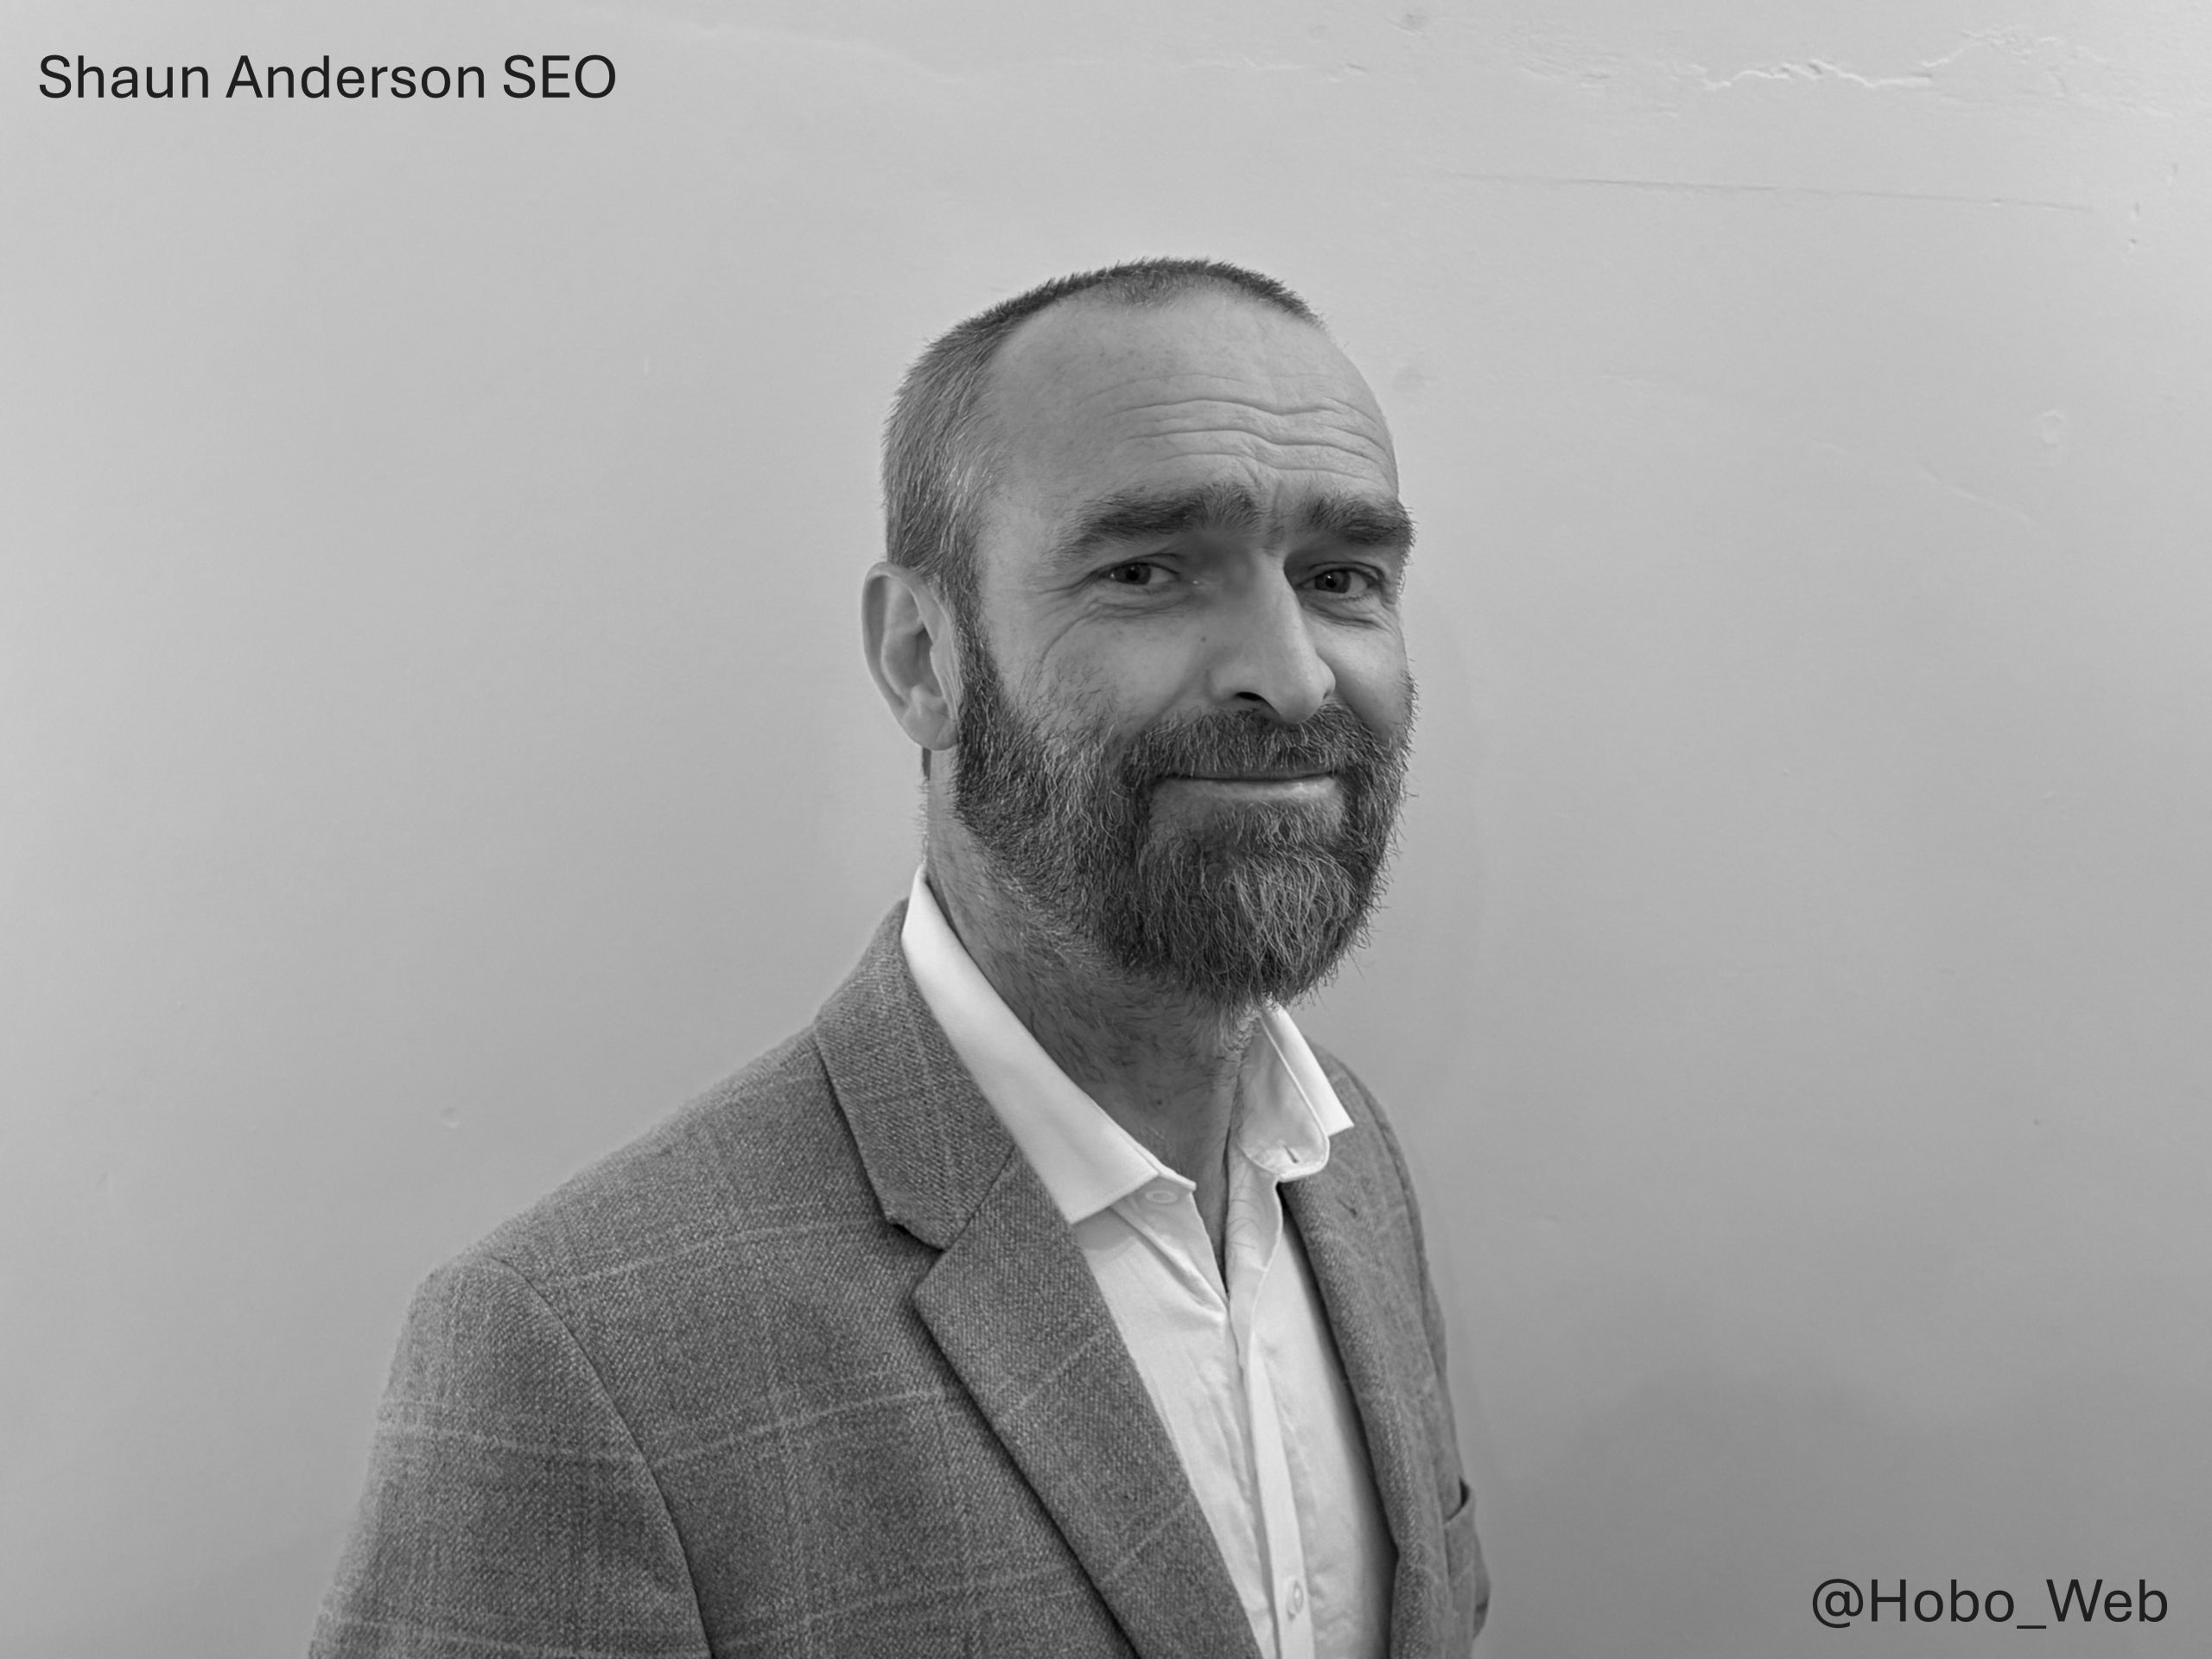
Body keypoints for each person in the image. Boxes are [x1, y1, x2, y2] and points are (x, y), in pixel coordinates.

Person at [311, 257, 1487, 1659]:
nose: (1291, 676)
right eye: (1147, 572)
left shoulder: (1350, 1172)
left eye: (1343, 578)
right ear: (924, 657)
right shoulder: (576, 1359)